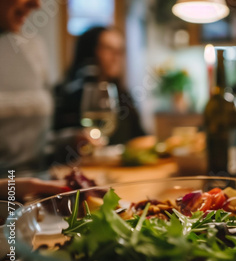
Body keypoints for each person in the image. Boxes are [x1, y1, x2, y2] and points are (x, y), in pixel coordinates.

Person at [0, 0, 68, 199]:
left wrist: (69, 140)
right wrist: (9, 188)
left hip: (40, 200)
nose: (37, 4)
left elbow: (39, 143)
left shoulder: (33, 46)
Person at [54, 26, 145, 145]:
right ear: (90, 51)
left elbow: (140, 138)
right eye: (108, 49)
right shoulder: (67, 96)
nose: (116, 57)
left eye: (120, 51)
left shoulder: (124, 97)